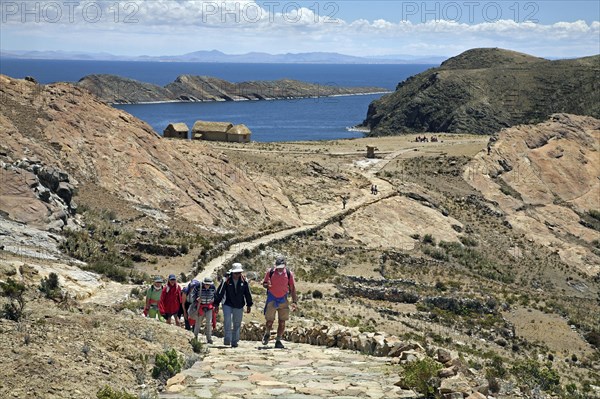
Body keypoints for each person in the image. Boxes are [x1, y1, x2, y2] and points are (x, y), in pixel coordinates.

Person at [262, 255, 298, 349]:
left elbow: (292, 288)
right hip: (272, 298)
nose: (280, 270)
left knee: (282, 322)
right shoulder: (270, 272)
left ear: (285, 265)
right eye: (278, 268)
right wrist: (267, 285)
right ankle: (267, 333)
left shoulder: (289, 274)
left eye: (281, 268)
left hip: (283, 299)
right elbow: (264, 283)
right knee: (269, 320)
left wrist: (294, 302)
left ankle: (278, 340)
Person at [214, 263, 253, 348]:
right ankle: (227, 339)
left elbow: (247, 293)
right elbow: (220, 292)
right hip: (227, 303)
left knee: (237, 323)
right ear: (232, 272)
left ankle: (235, 341)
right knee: (227, 321)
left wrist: (249, 304)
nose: (237, 275)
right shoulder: (226, 280)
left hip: (239, 305)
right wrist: (216, 304)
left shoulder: (244, 281)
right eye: (235, 273)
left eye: (239, 273)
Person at [192, 276, 217, 344]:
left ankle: (209, 338)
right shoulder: (198, 286)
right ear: (203, 283)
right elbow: (193, 295)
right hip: (200, 307)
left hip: (209, 307)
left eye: (208, 284)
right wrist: (196, 299)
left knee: (209, 323)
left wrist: (214, 305)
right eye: (206, 284)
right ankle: (195, 338)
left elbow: (215, 296)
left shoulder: (213, 287)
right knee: (198, 323)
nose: (207, 286)